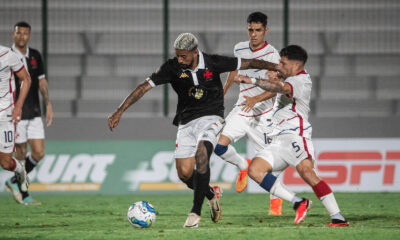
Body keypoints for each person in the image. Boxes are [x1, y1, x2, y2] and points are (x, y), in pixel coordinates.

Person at [108, 33, 278, 228]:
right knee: (184, 174)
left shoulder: (214, 62)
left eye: (184, 56)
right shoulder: (172, 67)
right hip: (186, 122)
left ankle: (195, 214)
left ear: (195, 52)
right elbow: (144, 87)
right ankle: (210, 194)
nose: (180, 60)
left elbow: (248, 63)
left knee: (202, 154)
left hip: (211, 117)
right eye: (178, 55)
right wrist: (119, 110)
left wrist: (276, 67)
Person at [234, 45, 349, 227]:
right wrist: (273, 77)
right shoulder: (290, 78)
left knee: (307, 173)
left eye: (283, 63)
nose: (279, 65)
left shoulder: (301, 81)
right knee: (255, 171)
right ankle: (299, 202)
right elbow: (277, 87)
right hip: (279, 140)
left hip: (295, 135)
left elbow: (280, 87)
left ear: (296, 65)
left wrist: (251, 80)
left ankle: (338, 217)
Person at [214, 11, 284, 215]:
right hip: (242, 109)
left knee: (272, 164)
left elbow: (277, 86)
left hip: (264, 115)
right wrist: (222, 94)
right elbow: (233, 73)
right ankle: (242, 165)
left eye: (258, 30)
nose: (253, 34)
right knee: (218, 145)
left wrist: (256, 99)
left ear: (266, 31)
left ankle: (275, 205)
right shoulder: (239, 47)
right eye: (251, 30)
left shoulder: (273, 54)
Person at [5, 21, 53, 205]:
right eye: (18, 33)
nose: (22, 36)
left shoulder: (35, 56)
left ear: (29, 36)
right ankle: (25, 195)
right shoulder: (7, 57)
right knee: (21, 154)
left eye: (25, 33)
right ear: (13, 35)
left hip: (33, 112)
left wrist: (48, 104)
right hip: (15, 113)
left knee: (39, 153)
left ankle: (14, 181)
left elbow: (41, 82)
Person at [0, 44, 31, 202]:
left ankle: (21, 172)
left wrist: (18, 106)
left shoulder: (6, 54)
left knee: (5, 163)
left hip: (5, 115)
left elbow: (26, 78)